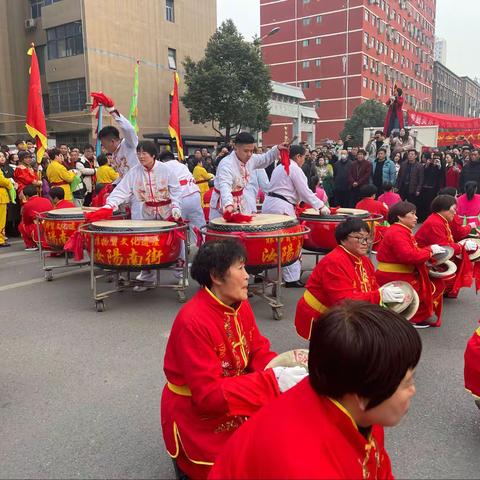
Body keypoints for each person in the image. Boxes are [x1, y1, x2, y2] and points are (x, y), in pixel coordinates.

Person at [210, 301, 421, 480]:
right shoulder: (301, 465)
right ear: (364, 394)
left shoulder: (353, 404)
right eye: (406, 382)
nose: (412, 391)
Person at [161, 240, 307, 480]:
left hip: (232, 394)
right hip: (198, 412)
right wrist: (272, 382)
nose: (247, 276)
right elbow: (207, 396)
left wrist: (283, 367)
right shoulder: (193, 321)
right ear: (217, 276)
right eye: (240, 268)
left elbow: (257, 348)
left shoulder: (238, 304)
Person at [294, 217, 404, 339]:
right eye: (358, 238)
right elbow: (343, 300)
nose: (365, 243)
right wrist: (379, 296)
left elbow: (371, 285)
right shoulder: (334, 262)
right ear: (343, 240)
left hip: (344, 312)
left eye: (367, 238)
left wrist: (383, 297)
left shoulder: (364, 260)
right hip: (321, 314)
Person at [97, 141, 182, 291]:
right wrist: (109, 205)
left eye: (144, 153)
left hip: (167, 211)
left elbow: (175, 190)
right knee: (147, 245)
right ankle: (148, 278)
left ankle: (180, 275)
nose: (141, 156)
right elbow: (122, 190)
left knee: (173, 243)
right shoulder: (134, 172)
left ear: (153, 155)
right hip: (148, 211)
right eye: (139, 153)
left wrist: (176, 207)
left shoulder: (166, 170)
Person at [262, 145, 330, 288]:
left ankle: (262, 273)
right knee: (290, 242)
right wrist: (321, 206)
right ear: (298, 156)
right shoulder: (294, 168)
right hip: (282, 207)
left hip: (270, 204)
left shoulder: (279, 167)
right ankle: (291, 278)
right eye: (304, 157)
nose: (304, 160)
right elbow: (305, 192)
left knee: (269, 242)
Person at [376, 201, 445, 328]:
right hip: (395, 275)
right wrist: (430, 251)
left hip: (400, 272)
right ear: (399, 217)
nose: (416, 217)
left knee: (435, 284)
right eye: (412, 214)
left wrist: (429, 249)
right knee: (433, 286)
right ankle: (413, 317)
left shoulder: (401, 230)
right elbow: (408, 256)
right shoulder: (397, 232)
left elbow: (413, 252)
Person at [209, 132, 285, 220]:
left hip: (241, 202)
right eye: (246, 151)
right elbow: (225, 186)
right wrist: (228, 205)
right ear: (236, 148)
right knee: (222, 231)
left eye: (251, 151)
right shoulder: (226, 164)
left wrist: (278, 149)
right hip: (223, 203)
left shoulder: (251, 158)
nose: (249, 154)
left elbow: (264, 159)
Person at [415, 195, 477, 298]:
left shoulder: (440, 219)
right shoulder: (435, 222)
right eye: (453, 209)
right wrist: (461, 246)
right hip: (426, 258)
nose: (455, 212)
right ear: (444, 209)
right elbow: (443, 248)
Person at [160, 150, 206, 241]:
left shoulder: (163, 167)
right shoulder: (182, 166)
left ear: (162, 160)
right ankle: (203, 250)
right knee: (198, 227)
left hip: (180, 198)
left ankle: (181, 254)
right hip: (194, 195)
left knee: (179, 229)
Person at [96, 93, 139, 181]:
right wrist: (113, 186)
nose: (103, 148)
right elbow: (122, 175)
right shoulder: (114, 154)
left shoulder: (129, 144)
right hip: (127, 188)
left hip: (139, 186)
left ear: (112, 141)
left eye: (104, 144)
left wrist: (112, 111)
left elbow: (128, 128)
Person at [18, 184, 52, 251]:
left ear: (26, 196)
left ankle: (31, 245)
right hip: (49, 225)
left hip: (38, 226)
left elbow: (26, 220)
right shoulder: (46, 200)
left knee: (21, 225)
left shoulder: (27, 205)